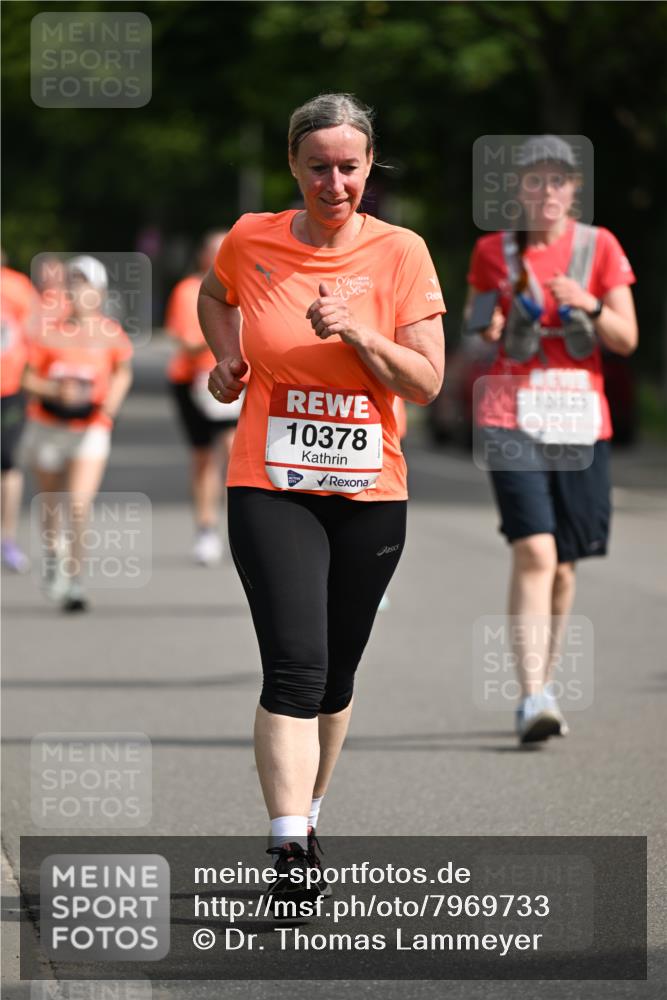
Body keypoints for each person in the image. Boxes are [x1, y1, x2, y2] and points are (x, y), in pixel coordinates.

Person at [198, 93, 445, 901]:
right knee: (296, 668)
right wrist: (227, 358)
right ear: (293, 168)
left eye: (349, 167)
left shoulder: (401, 251)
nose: (333, 183)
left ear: (369, 167)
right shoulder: (251, 237)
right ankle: (289, 846)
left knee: (336, 678)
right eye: (317, 167)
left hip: (370, 490)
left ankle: (310, 807)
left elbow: (428, 382)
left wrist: (361, 333)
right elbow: (213, 295)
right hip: (270, 484)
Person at [466, 135, 638, 744]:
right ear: (518, 189)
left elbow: (626, 338)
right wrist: (490, 321)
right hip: (510, 417)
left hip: (578, 421)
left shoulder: (599, 246)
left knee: (564, 565)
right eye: (534, 181)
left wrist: (585, 301)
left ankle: (547, 680)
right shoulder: (495, 251)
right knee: (535, 552)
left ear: (574, 189)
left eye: (557, 181)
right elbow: (476, 325)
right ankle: (532, 694)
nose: (546, 192)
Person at [20, 255, 134, 612]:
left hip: (91, 427)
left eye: (85, 283)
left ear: (99, 291)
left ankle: (74, 579)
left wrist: (110, 406)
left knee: (79, 504)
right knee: (52, 501)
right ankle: (54, 554)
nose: (79, 290)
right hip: (49, 425)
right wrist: (55, 391)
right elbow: (27, 377)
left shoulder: (110, 333)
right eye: (74, 283)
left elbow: (122, 371)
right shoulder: (49, 331)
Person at [165, 231, 242, 565]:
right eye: (212, 252)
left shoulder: (247, 287)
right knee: (203, 458)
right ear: (201, 256)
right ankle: (206, 528)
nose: (217, 258)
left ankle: (238, 527)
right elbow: (187, 340)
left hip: (238, 382)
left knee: (233, 452)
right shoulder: (188, 290)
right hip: (193, 382)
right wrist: (227, 337)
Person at [1, 258, 39, 572]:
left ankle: (7, 538)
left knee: (7, 461)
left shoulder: (16, 286)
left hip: (8, 388)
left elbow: (34, 335)